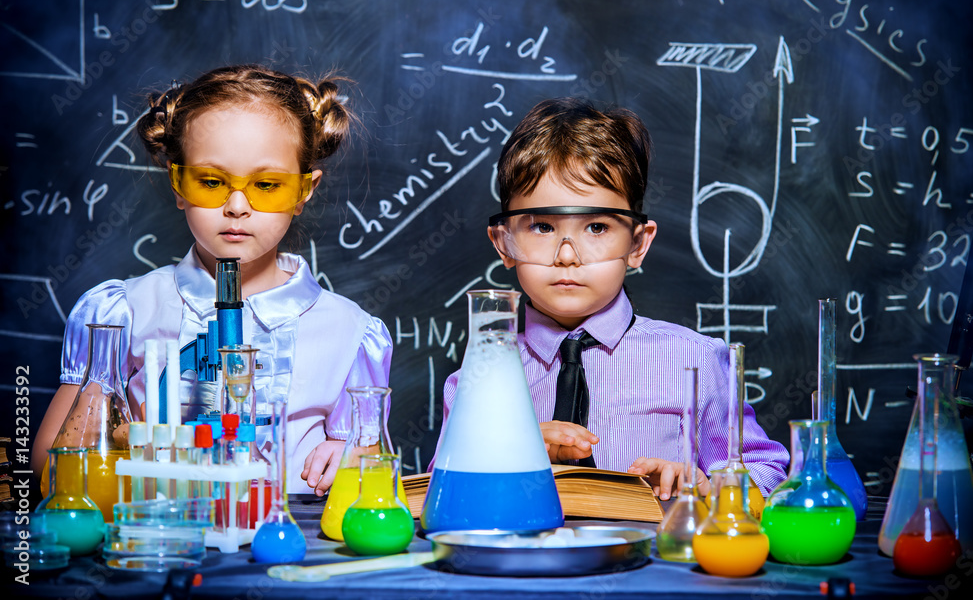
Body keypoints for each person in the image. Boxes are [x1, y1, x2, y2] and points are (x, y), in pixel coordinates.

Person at [31, 64, 391, 495]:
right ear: (178, 183)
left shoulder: (350, 331)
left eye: (267, 184)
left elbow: (369, 463)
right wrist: (126, 443)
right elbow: (48, 463)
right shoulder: (123, 310)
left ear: (303, 191)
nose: (237, 206)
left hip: (294, 546)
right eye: (211, 181)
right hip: (163, 537)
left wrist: (352, 455)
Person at [441, 97, 788, 499]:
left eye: (597, 227)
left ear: (638, 243)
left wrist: (707, 487)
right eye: (541, 227)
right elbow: (443, 493)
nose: (566, 255)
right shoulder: (478, 377)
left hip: (657, 560)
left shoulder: (695, 359)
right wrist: (511, 448)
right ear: (504, 243)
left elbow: (768, 474)